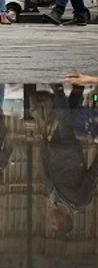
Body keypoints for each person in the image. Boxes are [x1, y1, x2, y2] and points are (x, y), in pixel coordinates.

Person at [35, 84, 98, 237]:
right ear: (64, 221)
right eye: (53, 222)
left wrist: (42, 142)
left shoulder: (51, 197)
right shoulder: (81, 201)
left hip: (54, 150)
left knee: (67, 118)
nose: (49, 218)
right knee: (64, 120)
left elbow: (44, 168)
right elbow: (91, 175)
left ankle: (77, 90)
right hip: (70, 153)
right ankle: (58, 90)